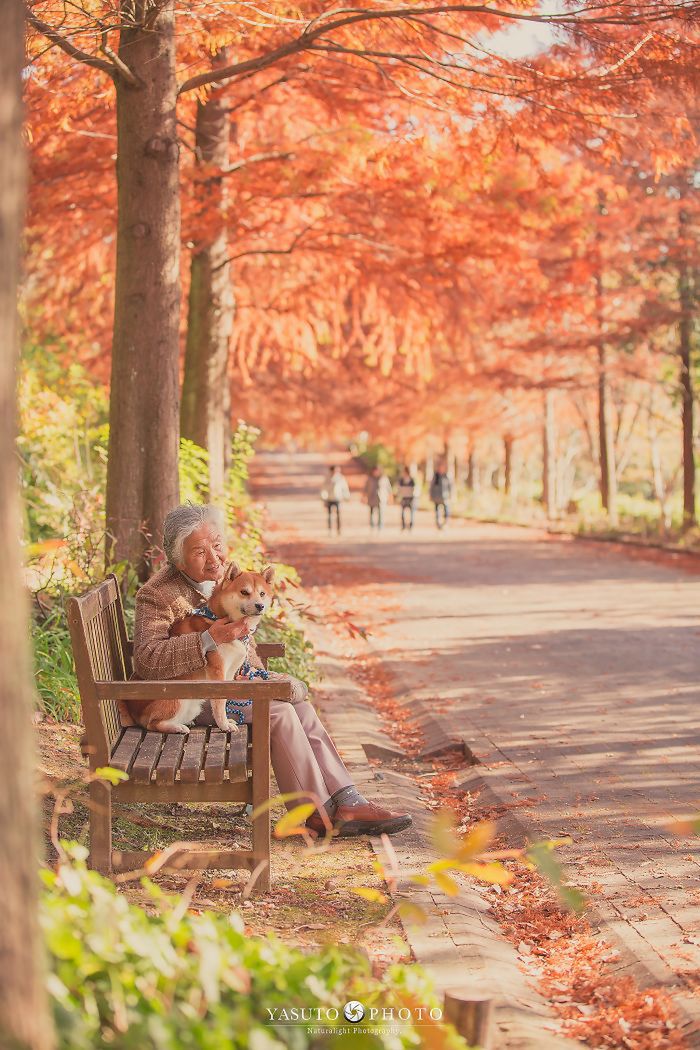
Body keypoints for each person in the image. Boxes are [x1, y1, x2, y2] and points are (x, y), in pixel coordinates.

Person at [133, 503, 412, 838]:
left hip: (231, 685)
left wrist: (260, 676)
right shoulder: (157, 595)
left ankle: (347, 799)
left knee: (301, 708)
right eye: (199, 551)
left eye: (217, 545)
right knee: (277, 712)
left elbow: (240, 646)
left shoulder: (230, 578)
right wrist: (208, 639)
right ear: (178, 560)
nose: (214, 557)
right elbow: (147, 659)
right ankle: (317, 813)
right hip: (190, 697)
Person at [321, 465, 350, 535]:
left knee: (338, 515)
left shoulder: (341, 478)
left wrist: (346, 496)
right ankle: (330, 529)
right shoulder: (327, 478)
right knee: (329, 516)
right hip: (329, 499)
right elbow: (324, 489)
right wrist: (324, 498)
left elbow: (344, 488)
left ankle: (338, 529)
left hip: (338, 498)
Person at [364, 466, 392, 530]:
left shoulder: (384, 478)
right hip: (371, 497)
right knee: (371, 512)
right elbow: (365, 488)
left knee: (381, 512)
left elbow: (389, 488)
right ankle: (372, 525)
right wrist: (364, 497)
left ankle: (380, 526)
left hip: (381, 498)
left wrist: (390, 498)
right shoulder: (370, 479)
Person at [396, 466, 418, 531]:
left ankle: (411, 525)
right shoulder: (401, 480)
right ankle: (403, 525)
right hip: (404, 497)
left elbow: (415, 488)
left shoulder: (412, 479)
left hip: (411, 498)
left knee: (411, 513)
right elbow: (399, 488)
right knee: (402, 512)